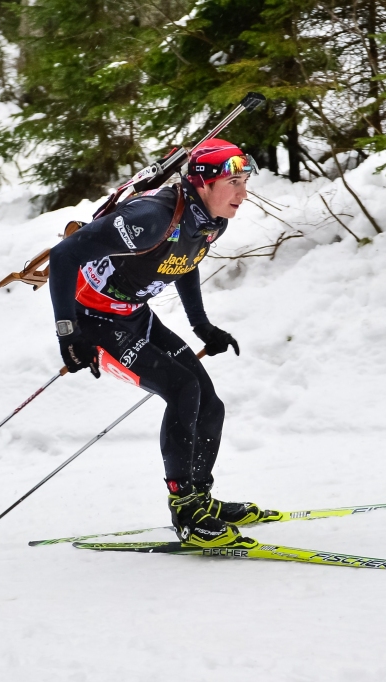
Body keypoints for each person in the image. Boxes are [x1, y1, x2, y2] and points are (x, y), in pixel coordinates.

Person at [47, 139, 279, 548]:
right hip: (93, 320)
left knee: (209, 402)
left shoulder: (212, 217)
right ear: (203, 183)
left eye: (246, 182)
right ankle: (185, 511)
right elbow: (65, 256)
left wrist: (202, 326)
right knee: (182, 389)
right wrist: (70, 334)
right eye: (235, 182)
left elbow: (186, 259)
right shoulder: (150, 218)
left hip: (133, 314)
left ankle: (200, 499)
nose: (244, 194)